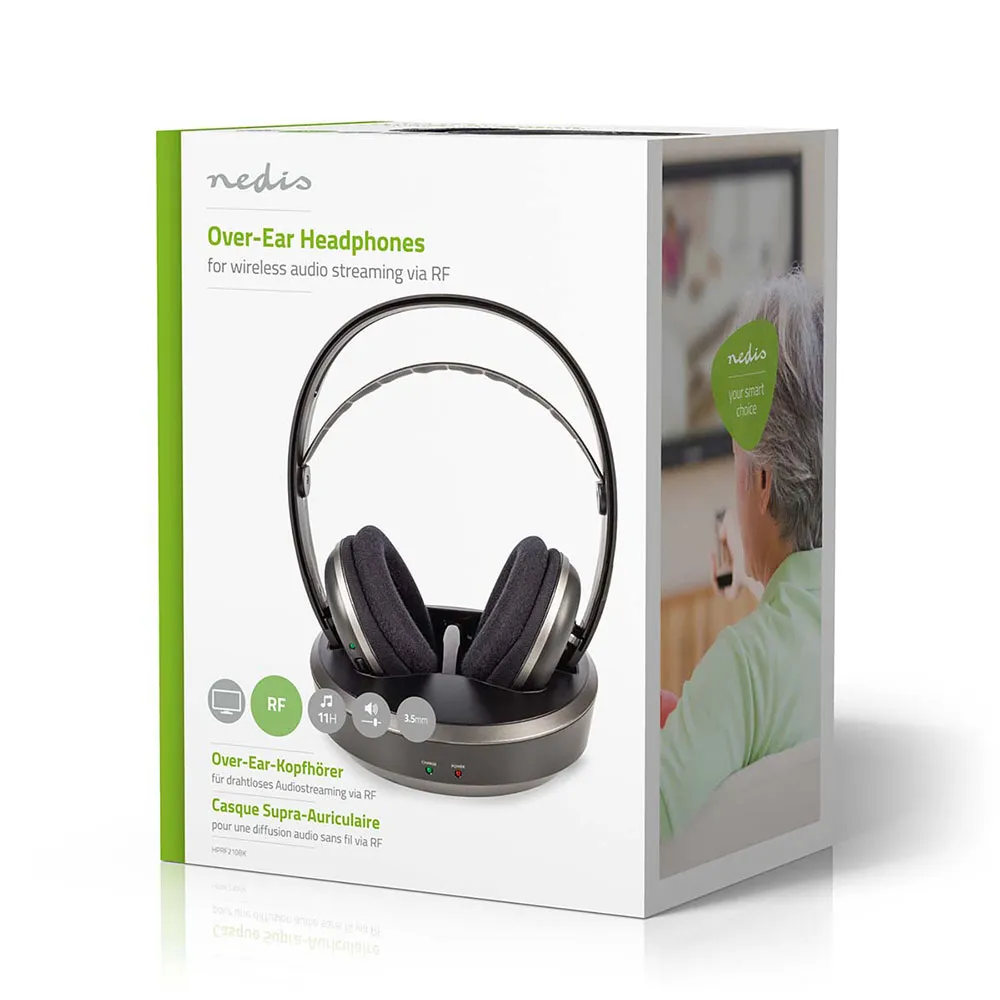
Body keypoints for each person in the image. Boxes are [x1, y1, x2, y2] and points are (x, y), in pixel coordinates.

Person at [660, 271, 824, 840]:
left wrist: (683, 726)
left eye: (736, 459)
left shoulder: (743, 669)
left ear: (762, 482)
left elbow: (642, 830)